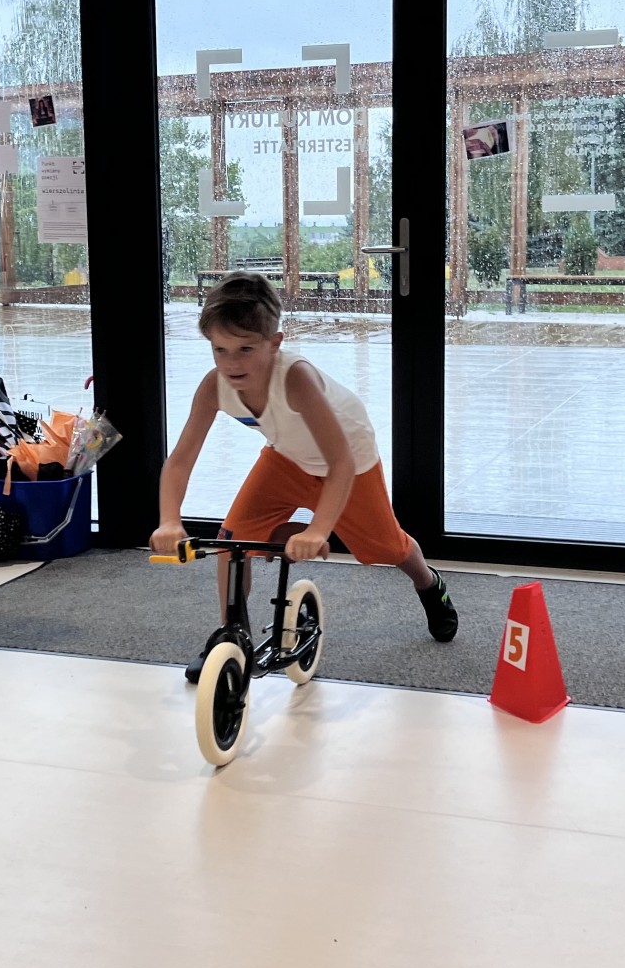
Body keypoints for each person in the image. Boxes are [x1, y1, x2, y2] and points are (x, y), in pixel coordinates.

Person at [151, 272, 457, 677]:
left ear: (275, 343)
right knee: (231, 540)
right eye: (220, 349)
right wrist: (169, 520)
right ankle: (231, 636)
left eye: (246, 348)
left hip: (348, 461)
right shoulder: (214, 386)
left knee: (385, 548)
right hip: (287, 457)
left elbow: (341, 462)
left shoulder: (296, 378)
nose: (231, 363)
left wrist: (318, 530)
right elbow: (180, 460)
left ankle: (428, 583)